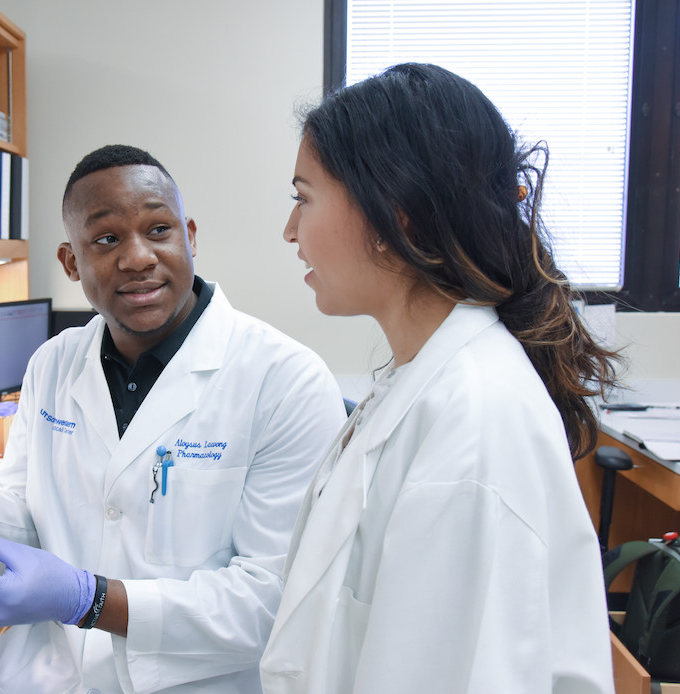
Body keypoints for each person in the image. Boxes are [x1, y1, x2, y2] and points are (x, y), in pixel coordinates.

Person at [0, 144, 347, 693]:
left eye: (158, 230)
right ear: (71, 262)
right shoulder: (53, 364)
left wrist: (90, 600)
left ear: (189, 236)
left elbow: (272, 603)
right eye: (106, 239)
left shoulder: (285, 380)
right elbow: (27, 526)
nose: (138, 257)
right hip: (43, 672)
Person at [258, 63, 622, 693]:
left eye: (303, 197)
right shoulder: (419, 382)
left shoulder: (472, 422)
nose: (290, 230)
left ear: (395, 213)